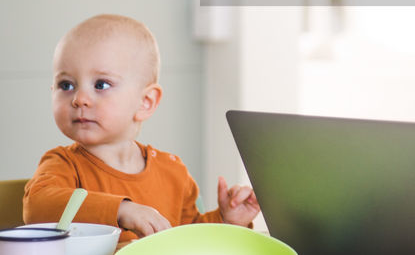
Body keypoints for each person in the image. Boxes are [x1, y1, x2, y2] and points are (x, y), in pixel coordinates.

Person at [24, 14, 259, 241]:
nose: (79, 98)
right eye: (66, 85)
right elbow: (37, 208)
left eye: (101, 84)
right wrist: (121, 211)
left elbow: (190, 239)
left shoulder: (173, 173)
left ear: (145, 102)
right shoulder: (62, 165)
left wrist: (227, 221)